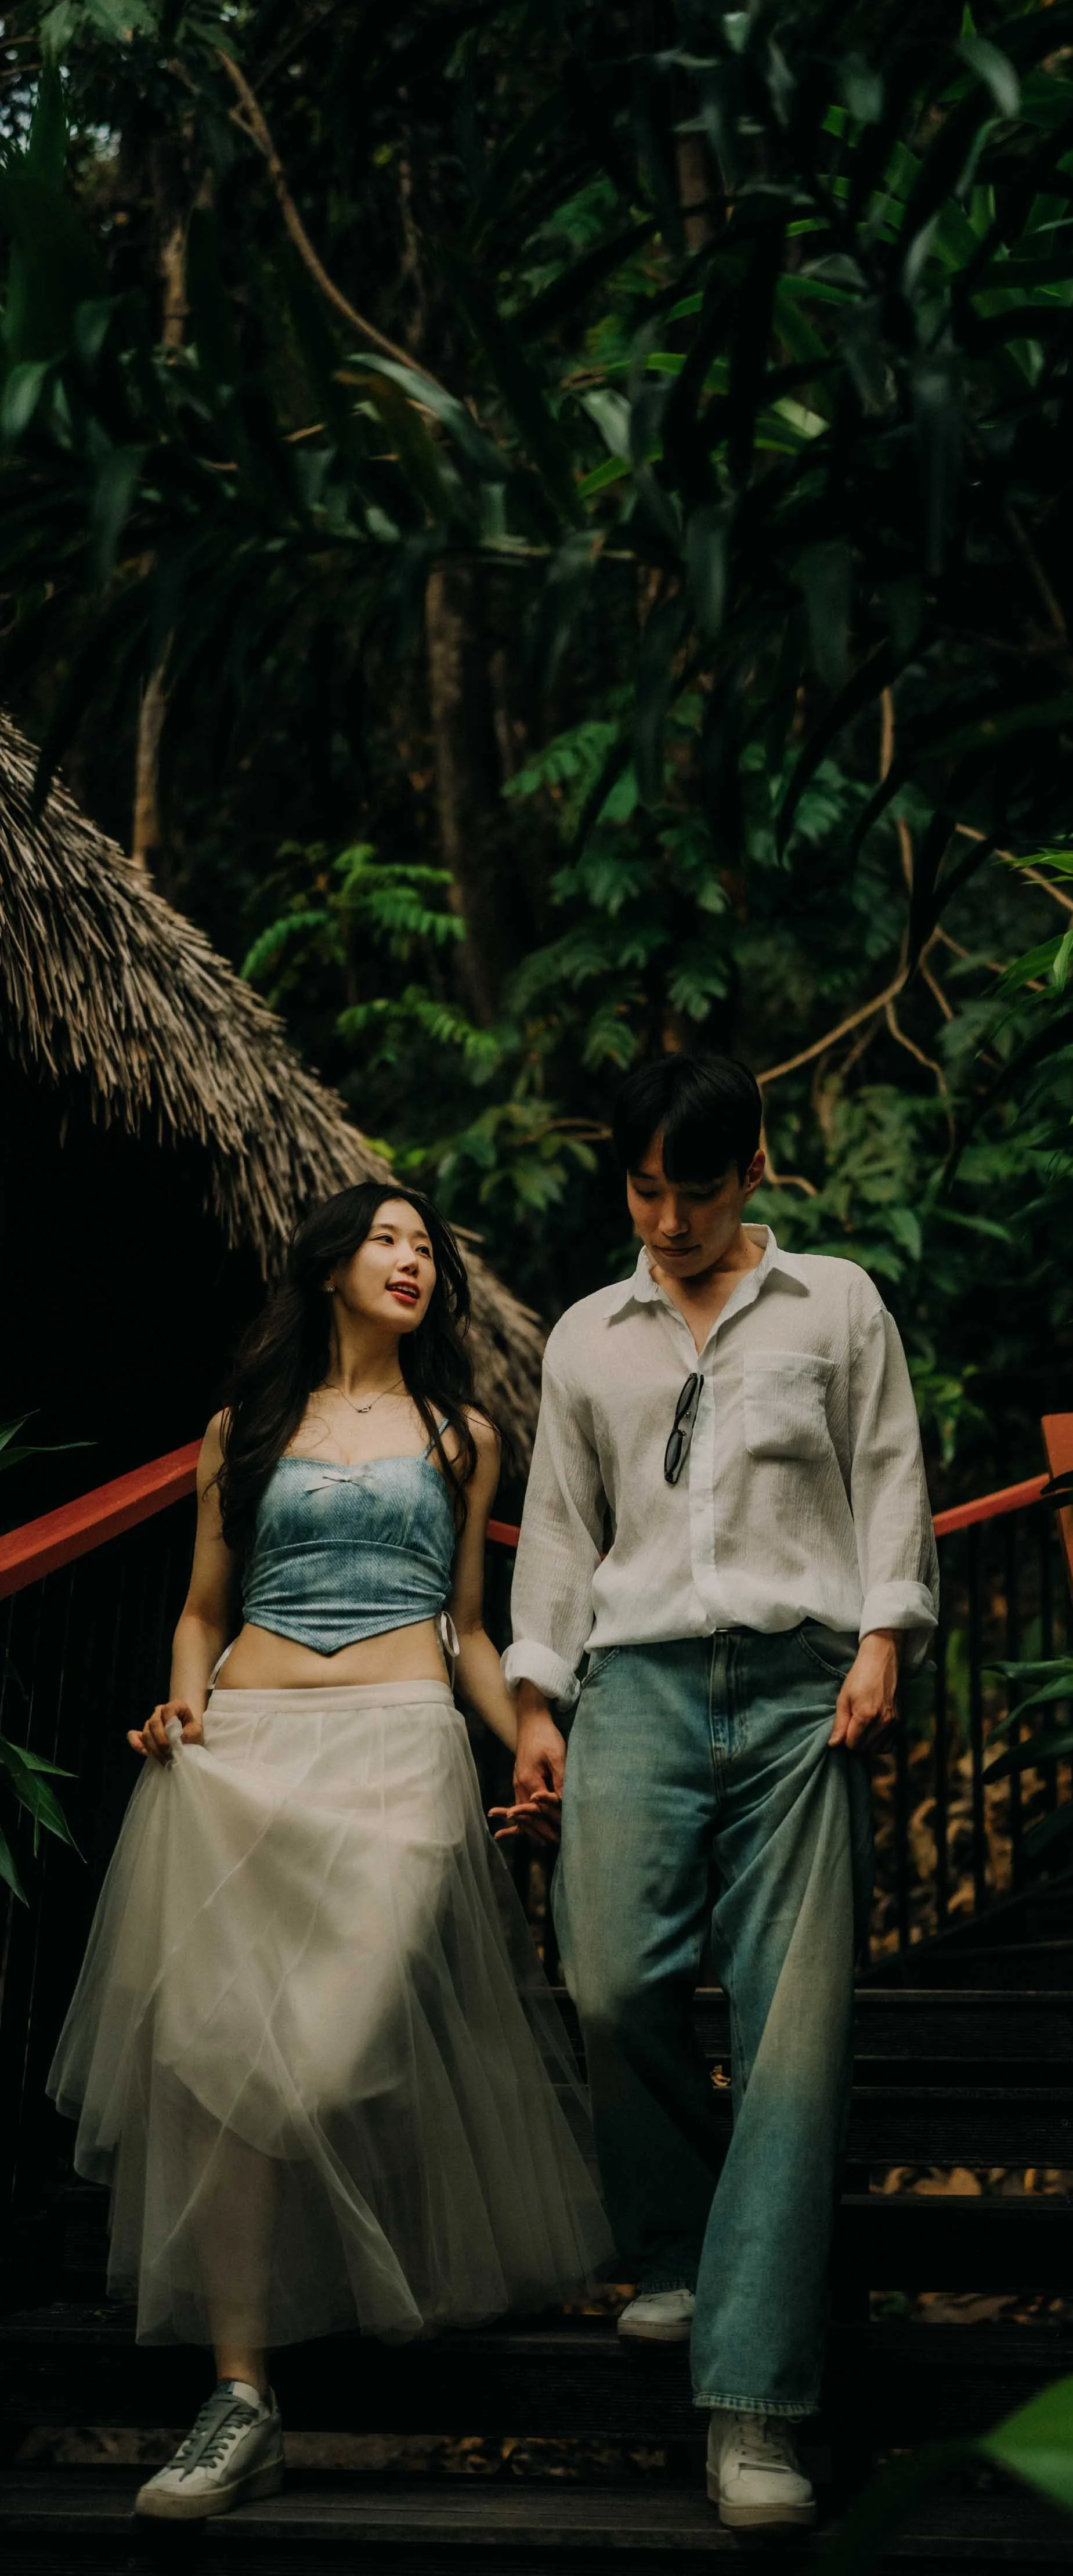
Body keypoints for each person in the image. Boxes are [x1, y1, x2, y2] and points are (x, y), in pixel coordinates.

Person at [49, 1183, 612, 2523]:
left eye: (426, 1246)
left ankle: (336, 2299)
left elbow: (468, 1624)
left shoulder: (461, 1434)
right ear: (328, 1266)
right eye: (389, 1238)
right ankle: (242, 2395)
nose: (413, 1259)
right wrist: (184, 1698)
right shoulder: (237, 1431)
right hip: (242, 1746)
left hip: (402, 1745)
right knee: (217, 2061)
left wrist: (529, 1734)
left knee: (330, 2056)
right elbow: (200, 1608)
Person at [501, 1054, 938, 2532]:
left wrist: (885, 1635)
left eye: (696, 1187)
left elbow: (889, 1471)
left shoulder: (835, 1303)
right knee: (613, 1981)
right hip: (634, 1688)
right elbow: (559, 1527)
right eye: (643, 1188)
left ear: (753, 1167)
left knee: (791, 2034)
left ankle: (752, 2399)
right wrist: (535, 1700)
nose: (669, 1216)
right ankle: (677, 2230)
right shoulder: (585, 1336)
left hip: (803, 1687)